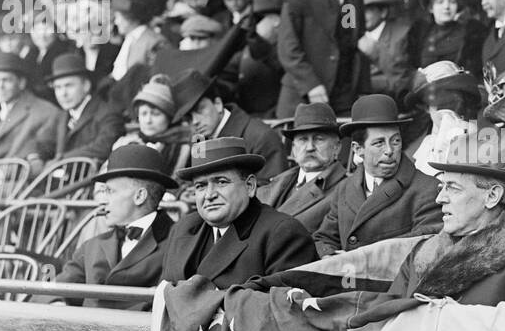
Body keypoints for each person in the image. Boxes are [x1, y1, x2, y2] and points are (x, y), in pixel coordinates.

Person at [383, 127, 505, 308]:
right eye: (442, 187)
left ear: (492, 196)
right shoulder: (420, 253)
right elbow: (387, 320)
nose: (440, 198)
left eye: (453, 187)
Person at [159, 137, 316, 289]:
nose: (209, 195)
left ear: (250, 186)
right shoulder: (182, 228)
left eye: (221, 182)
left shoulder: (282, 234)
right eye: (200, 186)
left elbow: (283, 308)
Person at [313, 94, 443, 256]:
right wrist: (330, 257)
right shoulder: (344, 189)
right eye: (379, 143)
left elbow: (423, 244)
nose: (389, 150)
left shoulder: (428, 189)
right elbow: (323, 238)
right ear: (358, 149)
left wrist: (358, 259)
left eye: (395, 141)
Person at [56, 145, 177, 309]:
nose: (103, 200)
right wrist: (56, 304)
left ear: (140, 196)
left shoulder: (177, 245)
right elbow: (54, 291)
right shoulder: (92, 246)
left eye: (110, 191)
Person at [172, 69, 287, 181]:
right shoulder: (199, 141)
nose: (195, 121)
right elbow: (190, 180)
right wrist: (184, 193)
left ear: (217, 104)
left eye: (200, 110)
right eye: (188, 117)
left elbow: (275, 191)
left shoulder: (261, 137)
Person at [256, 103, 346, 230]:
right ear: (293, 149)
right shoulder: (278, 182)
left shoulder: (345, 189)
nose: (310, 147)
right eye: (303, 140)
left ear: (337, 147)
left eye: (319, 139)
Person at [0, 51, 59, 173]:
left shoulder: (45, 112)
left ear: (21, 83)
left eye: (6, 80)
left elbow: (37, 159)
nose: (0, 86)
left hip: (21, 182)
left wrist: (2, 173)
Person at [48, 53, 125, 163]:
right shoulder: (62, 115)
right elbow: (44, 142)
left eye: (69, 85)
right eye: (58, 87)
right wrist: (35, 157)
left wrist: (61, 160)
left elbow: (104, 147)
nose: (63, 93)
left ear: (86, 86)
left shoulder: (107, 113)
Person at [357, 0, 415, 104]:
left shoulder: (403, 34)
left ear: (383, 12)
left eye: (367, 10)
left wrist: (376, 52)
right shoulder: (353, 36)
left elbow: (400, 82)